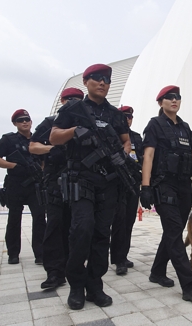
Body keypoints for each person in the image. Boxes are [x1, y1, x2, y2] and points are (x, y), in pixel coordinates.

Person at [50, 64, 131, 310]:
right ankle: (76, 285)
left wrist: (121, 157)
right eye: (96, 78)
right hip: (81, 179)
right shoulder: (74, 109)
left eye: (106, 79)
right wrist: (75, 131)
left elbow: (126, 141)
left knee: (101, 235)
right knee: (81, 229)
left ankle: (94, 286)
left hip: (108, 182)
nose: (102, 83)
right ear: (86, 82)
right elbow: (53, 137)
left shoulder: (115, 114)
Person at [140, 85, 192, 301]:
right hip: (164, 185)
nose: (174, 100)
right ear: (161, 102)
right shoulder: (155, 125)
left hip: (184, 186)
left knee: (173, 230)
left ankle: (157, 271)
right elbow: (149, 157)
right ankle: (189, 285)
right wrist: (145, 187)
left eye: (177, 97)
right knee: (174, 231)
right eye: (169, 97)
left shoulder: (183, 127)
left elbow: (191, 156)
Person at [29, 88, 84, 289]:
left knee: (76, 227)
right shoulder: (50, 123)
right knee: (54, 225)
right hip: (55, 181)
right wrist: (55, 147)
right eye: (69, 100)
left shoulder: (85, 123)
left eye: (77, 100)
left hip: (80, 182)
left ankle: (73, 268)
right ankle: (54, 272)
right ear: (62, 101)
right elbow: (33, 146)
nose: (73, 103)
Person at [0, 109, 46, 265]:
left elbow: (43, 161)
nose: (24, 122)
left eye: (27, 119)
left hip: (35, 185)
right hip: (16, 184)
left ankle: (40, 253)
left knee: (40, 218)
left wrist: (41, 172)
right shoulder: (8, 140)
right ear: (15, 123)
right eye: (20, 120)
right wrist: (14, 166)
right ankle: (13, 253)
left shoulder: (38, 140)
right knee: (14, 219)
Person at [110, 105, 143, 275]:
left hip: (133, 183)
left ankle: (124, 254)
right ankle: (117, 258)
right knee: (119, 221)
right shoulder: (112, 136)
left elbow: (143, 159)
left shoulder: (137, 137)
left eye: (129, 117)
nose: (127, 120)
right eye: (124, 117)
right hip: (117, 184)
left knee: (129, 221)